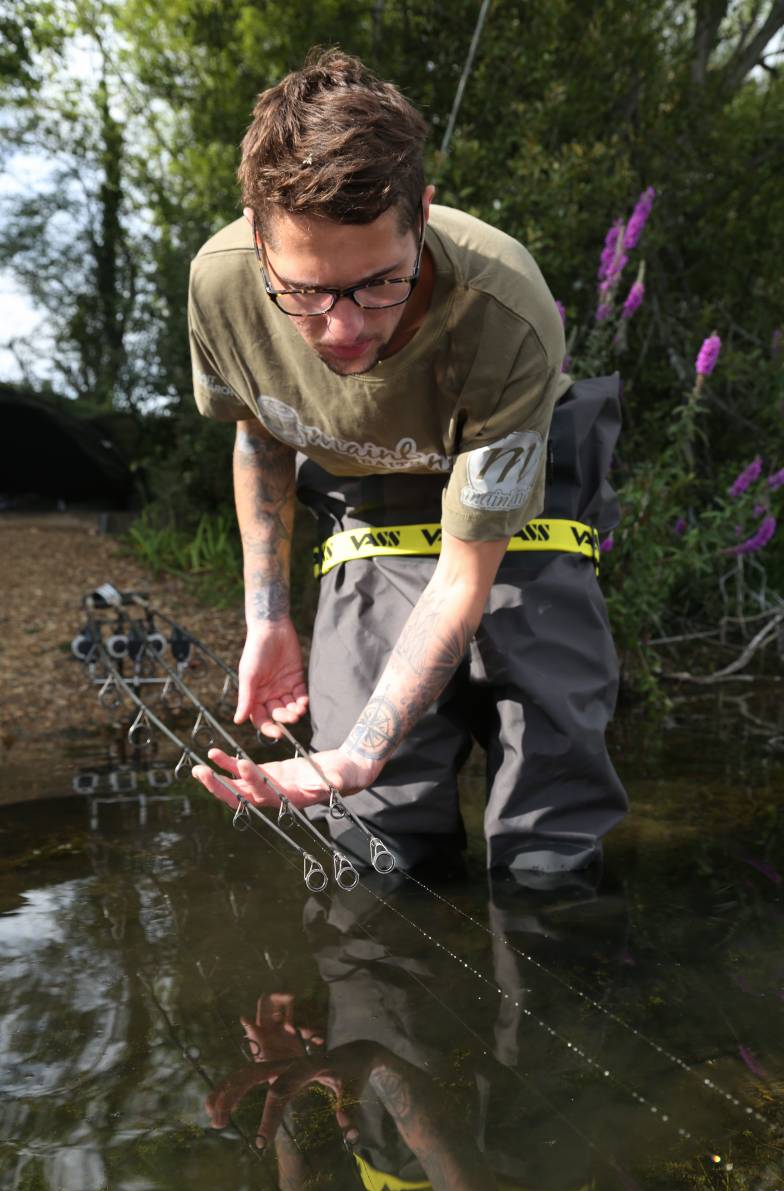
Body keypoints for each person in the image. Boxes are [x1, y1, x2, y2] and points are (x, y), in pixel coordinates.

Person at [189, 47, 627, 879]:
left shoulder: (509, 310)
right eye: (306, 294)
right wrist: (269, 618)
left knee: (550, 816)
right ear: (256, 240)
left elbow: (463, 579)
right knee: (377, 835)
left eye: (379, 284)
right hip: (361, 489)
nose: (343, 328)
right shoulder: (219, 288)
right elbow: (259, 433)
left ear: (421, 215)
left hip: (514, 483)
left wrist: (357, 750)